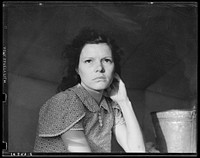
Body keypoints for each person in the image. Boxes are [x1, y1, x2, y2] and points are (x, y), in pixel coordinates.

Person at [33, 28, 146, 153]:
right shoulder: (65, 102)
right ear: (77, 68)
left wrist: (124, 102)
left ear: (114, 68)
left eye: (106, 60)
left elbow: (138, 151)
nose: (99, 68)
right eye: (89, 61)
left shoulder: (109, 106)